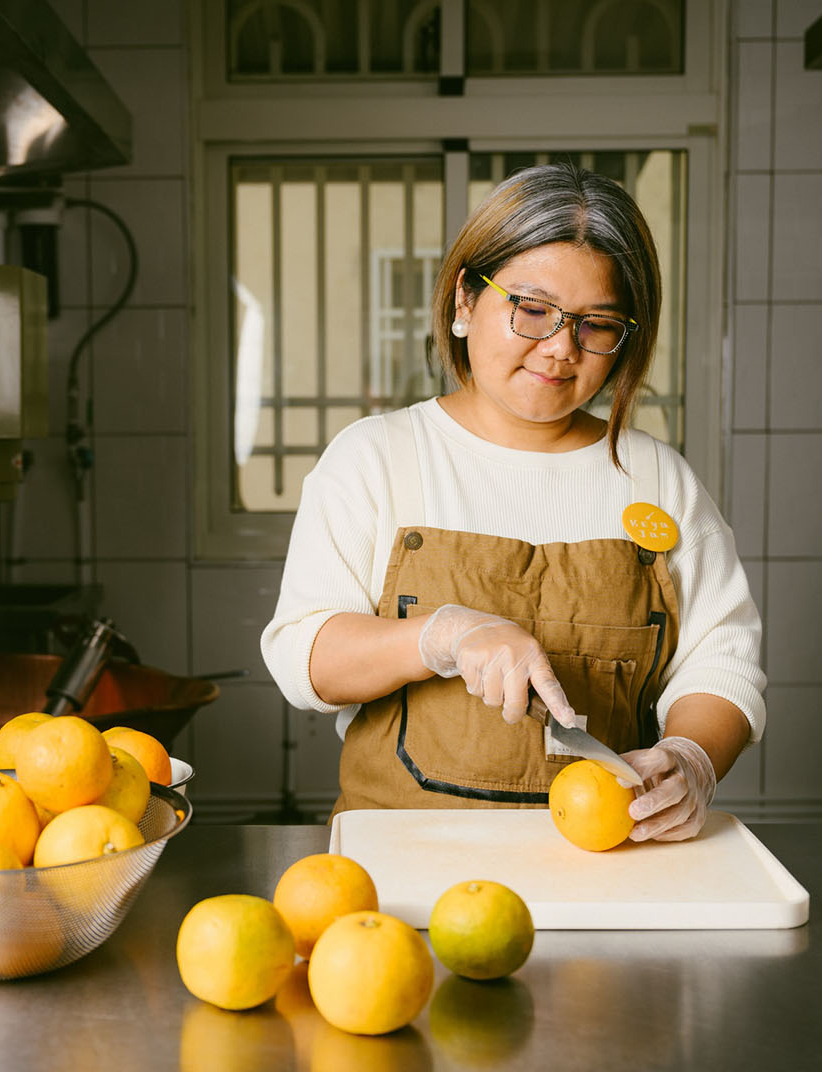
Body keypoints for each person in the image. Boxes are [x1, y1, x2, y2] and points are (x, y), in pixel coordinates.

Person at [261, 163, 764, 841]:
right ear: (465, 300)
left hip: (608, 876)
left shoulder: (657, 480)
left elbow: (721, 659)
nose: (560, 349)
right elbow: (303, 659)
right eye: (532, 309)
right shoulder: (377, 457)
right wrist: (441, 635)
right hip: (403, 870)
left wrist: (692, 757)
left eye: (597, 325)